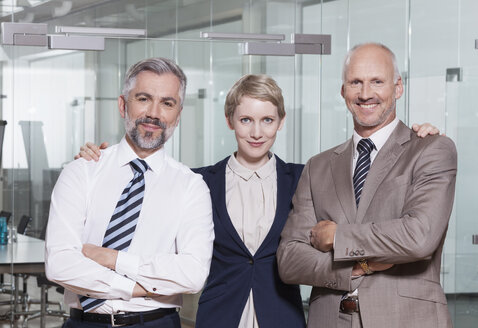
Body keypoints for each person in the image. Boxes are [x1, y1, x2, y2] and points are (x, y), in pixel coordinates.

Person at [76, 74, 440, 328]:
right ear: (230, 120)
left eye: (267, 119)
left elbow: (371, 195)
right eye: (246, 119)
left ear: (281, 122)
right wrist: (102, 157)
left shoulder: (306, 176)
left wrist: (417, 137)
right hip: (218, 316)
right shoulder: (196, 181)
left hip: (282, 316)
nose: (256, 131)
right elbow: (144, 195)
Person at [277, 42, 457, 328]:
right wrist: (359, 266)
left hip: (406, 319)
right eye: (355, 82)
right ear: (343, 91)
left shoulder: (431, 150)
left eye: (377, 81)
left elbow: (419, 236)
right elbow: (290, 259)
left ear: (398, 87)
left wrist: (338, 237)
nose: (365, 94)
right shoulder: (318, 166)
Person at [45, 57, 214, 328]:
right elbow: (60, 264)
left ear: (178, 114)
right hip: (85, 323)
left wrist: (113, 259)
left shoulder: (191, 187)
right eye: (144, 99)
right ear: (123, 105)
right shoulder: (82, 171)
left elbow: (192, 275)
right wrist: (138, 288)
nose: (155, 114)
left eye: (167, 103)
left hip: (157, 323)